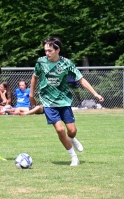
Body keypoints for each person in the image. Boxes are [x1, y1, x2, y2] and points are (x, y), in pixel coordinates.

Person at [29, 37, 104, 166]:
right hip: (48, 101)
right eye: (45, 50)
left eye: (50, 50)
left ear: (58, 50)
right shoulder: (41, 62)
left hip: (64, 101)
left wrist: (95, 93)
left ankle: (72, 138)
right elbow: (34, 77)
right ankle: (74, 157)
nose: (47, 53)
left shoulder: (67, 63)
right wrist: (31, 94)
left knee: (72, 131)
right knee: (59, 130)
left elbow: (81, 79)